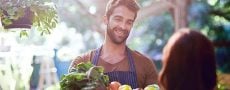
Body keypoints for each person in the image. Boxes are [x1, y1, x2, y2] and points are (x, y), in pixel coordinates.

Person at [68, 0, 158, 89]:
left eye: (129, 22)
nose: (123, 26)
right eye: (118, 19)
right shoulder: (81, 63)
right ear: (106, 19)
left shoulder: (145, 64)